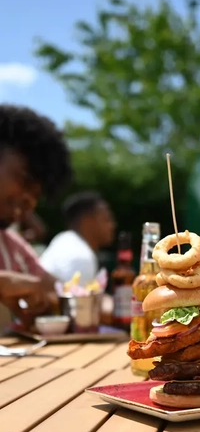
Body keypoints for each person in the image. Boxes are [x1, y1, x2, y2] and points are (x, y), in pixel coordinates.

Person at [0, 104, 72, 328]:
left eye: (36, 194)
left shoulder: (11, 245)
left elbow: (55, 288)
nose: (29, 200)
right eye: (24, 181)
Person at [40, 191, 116, 285]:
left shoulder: (64, 240)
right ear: (87, 221)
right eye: (106, 219)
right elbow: (74, 298)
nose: (112, 225)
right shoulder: (81, 257)